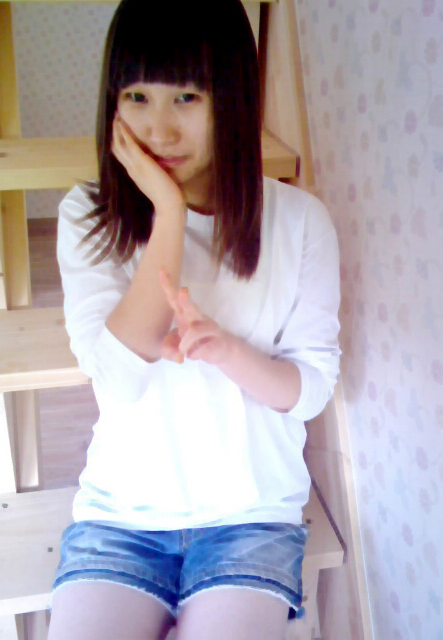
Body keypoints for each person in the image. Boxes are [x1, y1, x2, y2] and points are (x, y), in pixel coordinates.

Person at [48, 0, 341, 638]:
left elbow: (311, 389)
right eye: (137, 96)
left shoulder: (299, 222)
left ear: (231, 98)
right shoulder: (87, 217)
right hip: (121, 518)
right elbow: (119, 379)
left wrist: (229, 351)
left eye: (186, 97)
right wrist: (170, 213)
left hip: (250, 518)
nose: (159, 129)